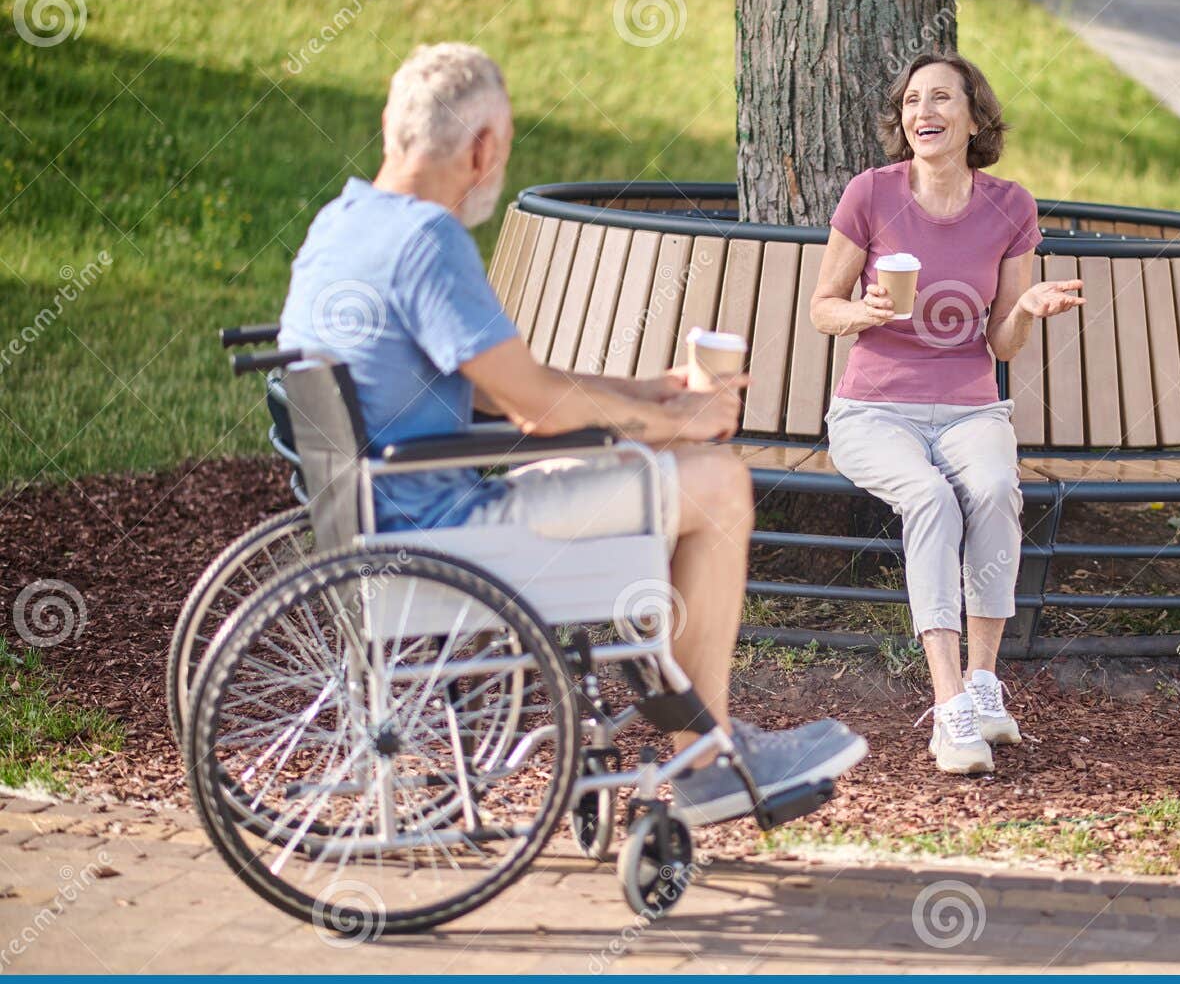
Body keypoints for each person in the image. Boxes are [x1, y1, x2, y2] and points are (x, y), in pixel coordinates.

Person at [279, 42, 864, 824]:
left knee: (654, 457)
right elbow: (539, 412)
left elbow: (497, 388)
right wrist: (678, 418)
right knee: (719, 478)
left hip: (374, 514)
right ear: (483, 148)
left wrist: (643, 393)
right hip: (446, 533)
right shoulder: (429, 240)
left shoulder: (342, 224)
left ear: (395, 127)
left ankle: (693, 728)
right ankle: (709, 753)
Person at [810, 53, 1084, 775]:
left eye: (940, 99)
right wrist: (859, 311)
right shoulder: (871, 194)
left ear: (972, 118)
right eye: (911, 101)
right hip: (873, 410)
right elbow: (821, 306)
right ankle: (950, 705)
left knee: (995, 489)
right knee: (931, 498)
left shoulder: (1011, 206)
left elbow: (999, 341)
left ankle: (986, 684)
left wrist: (1024, 308)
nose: (922, 111)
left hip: (968, 407)